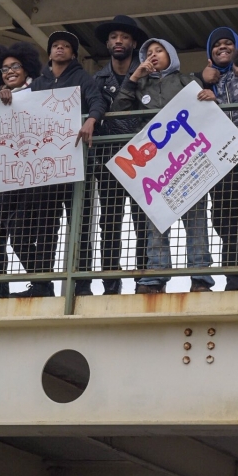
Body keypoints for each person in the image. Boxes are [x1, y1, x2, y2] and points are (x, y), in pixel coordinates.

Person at [111, 38, 214, 294]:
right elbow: (118, 110)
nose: (153, 55)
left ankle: (201, 277)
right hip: (154, 165)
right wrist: (134, 76)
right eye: (148, 52)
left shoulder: (186, 80)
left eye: (159, 50)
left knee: (196, 220)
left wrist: (212, 96)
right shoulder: (139, 84)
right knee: (156, 222)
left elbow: (206, 113)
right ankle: (156, 276)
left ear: (171, 55)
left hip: (188, 161)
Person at [13, 31, 106, 298]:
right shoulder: (38, 83)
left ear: (73, 54)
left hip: (78, 165)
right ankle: (42, 283)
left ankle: (83, 284)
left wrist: (92, 118)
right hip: (46, 169)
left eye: (66, 46)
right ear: (50, 52)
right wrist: (5, 96)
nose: (60, 49)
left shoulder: (82, 78)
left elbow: (98, 101)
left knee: (80, 225)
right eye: (56, 46)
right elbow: (19, 110)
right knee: (45, 227)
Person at [0, 42, 44, 298]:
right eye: (4, 68)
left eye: (15, 66)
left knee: (19, 235)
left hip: (35, 177)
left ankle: (42, 283)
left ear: (25, 66)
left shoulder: (41, 89)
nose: (9, 71)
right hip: (4, 178)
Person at [91, 15, 149, 295]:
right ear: (107, 43)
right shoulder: (97, 79)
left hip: (143, 161)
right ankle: (110, 282)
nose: (118, 41)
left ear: (133, 42)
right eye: (114, 37)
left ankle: (143, 278)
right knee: (110, 221)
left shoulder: (148, 74)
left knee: (143, 220)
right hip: (108, 161)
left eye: (124, 37)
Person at [197, 27, 238, 292]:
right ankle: (233, 272)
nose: (223, 47)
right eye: (217, 44)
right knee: (220, 216)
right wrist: (202, 80)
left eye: (228, 43)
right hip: (218, 157)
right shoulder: (206, 79)